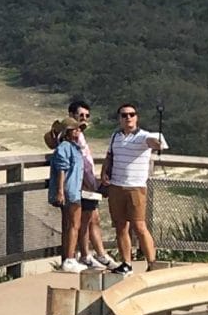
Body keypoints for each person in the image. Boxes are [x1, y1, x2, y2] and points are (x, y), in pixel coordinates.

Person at [102, 102, 167, 272]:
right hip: (116, 186)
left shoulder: (143, 136)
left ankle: (152, 263)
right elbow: (109, 156)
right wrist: (104, 173)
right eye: (124, 115)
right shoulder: (115, 136)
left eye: (131, 114)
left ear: (136, 117)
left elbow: (156, 143)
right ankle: (126, 263)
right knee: (121, 226)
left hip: (136, 188)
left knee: (139, 226)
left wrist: (157, 142)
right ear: (120, 119)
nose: (128, 118)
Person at [67, 99, 115, 269]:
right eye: (81, 115)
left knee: (91, 220)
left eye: (87, 115)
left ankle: (89, 255)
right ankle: (92, 255)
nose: (84, 118)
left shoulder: (80, 135)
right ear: (72, 115)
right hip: (81, 185)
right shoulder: (70, 136)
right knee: (88, 220)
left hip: (88, 184)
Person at [47, 117, 88, 273]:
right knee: (73, 225)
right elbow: (61, 170)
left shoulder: (73, 147)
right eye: (75, 129)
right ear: (67, 132)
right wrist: (60, 191)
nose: (78, 131)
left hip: (73, 189)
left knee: (71, 224)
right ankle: (69, 259)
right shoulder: (65, 147)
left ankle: (69, 257)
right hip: (70, 190)